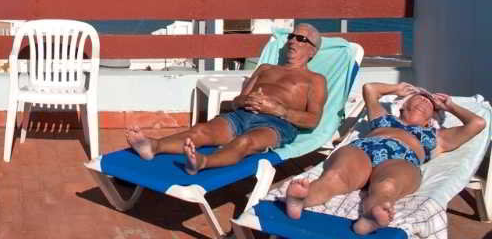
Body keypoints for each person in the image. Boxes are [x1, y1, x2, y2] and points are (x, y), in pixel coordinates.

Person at [284, 81, 487, 235]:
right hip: (362, 151)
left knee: (388, 185)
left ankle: (370, 217)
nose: (424, 101)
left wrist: (450, 106)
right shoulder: (384, 118)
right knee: (335, 175)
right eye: (419, 98)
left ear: (430, 119)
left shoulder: (437, 137)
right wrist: (396, 89)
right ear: (402, 107)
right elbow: (370, 89)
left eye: (429, 104)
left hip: (402, 161)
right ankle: (302, 200)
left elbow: (477, 123)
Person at [125, 23, 327, 174]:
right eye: (292, 36)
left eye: (301, 39)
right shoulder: (266, 68)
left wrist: (278, 110)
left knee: (245, 142)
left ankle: (202, 162)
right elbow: (237, 100)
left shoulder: (315, 80)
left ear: (312, 51)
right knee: (200, 130)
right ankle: (153, 146)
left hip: (275, 124)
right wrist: (245, 101)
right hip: (243, 114)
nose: (292, 41)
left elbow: (313, 120)